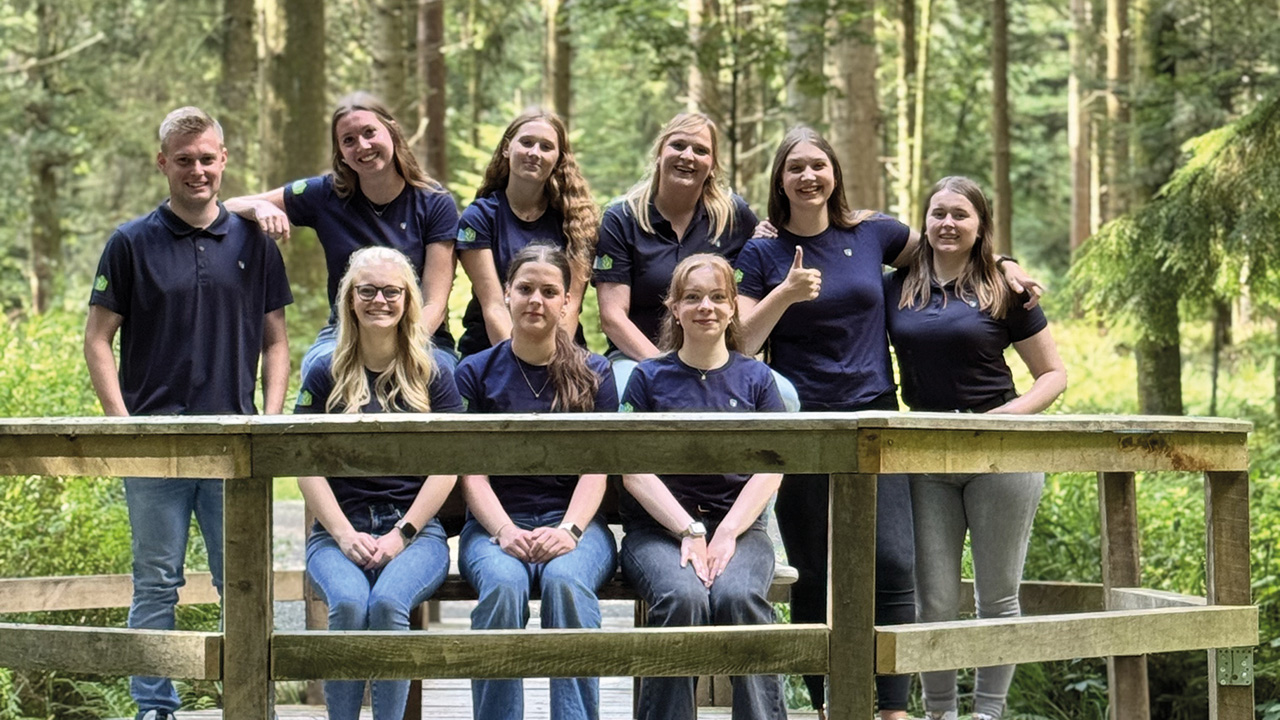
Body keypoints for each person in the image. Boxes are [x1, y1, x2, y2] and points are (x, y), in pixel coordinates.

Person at [735, 126, 1041, 720]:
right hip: (802, 427)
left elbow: (951, 245)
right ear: (780, 180)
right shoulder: (761, 252)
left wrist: (1006, 265)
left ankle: (894, 707)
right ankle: (828, 704)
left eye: (818, 165)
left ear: (834, 173)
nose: (808, 176)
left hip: (877, 420)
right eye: (795, 167)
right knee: (815, 569)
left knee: (895, 562)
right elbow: (743, 344)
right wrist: (785, 293)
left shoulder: (871, 233)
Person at [83, 106, 292, 720]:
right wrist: (122, 425)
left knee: (243, 582)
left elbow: (276, 341)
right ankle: (155, 707)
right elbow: (97, 339)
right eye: (183, 161)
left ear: (223, 159)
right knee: (155, 581)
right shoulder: (130, 242)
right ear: (162, 164)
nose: (196, 170)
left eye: (206, 158)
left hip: (234, 443)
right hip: (156, 443)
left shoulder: (254, 241)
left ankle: (250, 703)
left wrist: (269, 418)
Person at [885, 177, 1067, 720]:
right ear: (924, 221)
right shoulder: (896, 286)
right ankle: (940, 712)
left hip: (1000, 454)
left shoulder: (1005, 289)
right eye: (938, 213)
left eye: (960, 215)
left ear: (981, 225)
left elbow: (1053, 375)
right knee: (935, 599)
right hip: (925, 454)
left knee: (998, 595)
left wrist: (1006, 419)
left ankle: (988, 712)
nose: (948, 223)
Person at [294, 245, 461, 720]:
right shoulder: (324, 372)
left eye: (392, 291)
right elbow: (303, 464)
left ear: (408, 300)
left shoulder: (433, 372)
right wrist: (345, 535)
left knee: (388, 604)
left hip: (416, 533)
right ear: (350, 299)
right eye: (367, 291)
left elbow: (448, 465)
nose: (379, 301)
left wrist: (400, 535)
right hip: (337, 532)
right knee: (349, 604)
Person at [619, 253, 788, 720]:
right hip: (659, 532)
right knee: (683, 597)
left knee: (739, 598)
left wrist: (728, 531)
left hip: (741, 529)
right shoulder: (647, 378)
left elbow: (774, 466)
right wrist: (689, 530)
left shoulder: (757, 378)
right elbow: (633, 471)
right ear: (674, 308)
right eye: (692, 297)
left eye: (717, 297)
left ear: (733, 307)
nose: (705, 307)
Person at [455, 244, 618, 720]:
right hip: (494, 526)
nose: (536, 301)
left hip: (577, 525)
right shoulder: (475, 372)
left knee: (566, 582)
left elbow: (598, 467)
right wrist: (504, 530)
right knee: (503, 585)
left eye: (549, 292)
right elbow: (469, 471)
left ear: (567, 301)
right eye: (525, 289)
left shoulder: (595, 372)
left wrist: (569, 531)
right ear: (506, 293)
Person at [226, 91, 459, 375]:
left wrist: (395, 350)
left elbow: (434, 302)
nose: (362, 145)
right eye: (349, 140)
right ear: (341, 154)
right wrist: (260, 208)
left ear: (392, 131)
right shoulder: (325, 194)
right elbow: (229, 206)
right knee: (320, 369)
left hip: (420, 334)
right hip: (344, 333)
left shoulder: (434, 203)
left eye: (370, 132)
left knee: (439, 374)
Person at [592, 112, 803, 409]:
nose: (688, 156)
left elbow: (762, 263)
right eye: (678, 145)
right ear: (659, 153)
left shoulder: (733, 216)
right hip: (638, 357)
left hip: (717, 359)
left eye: (701, 150)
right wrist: (663, 370)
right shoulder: (622, 218)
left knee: (786, 396)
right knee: (620, 393)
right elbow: (613, 317)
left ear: (712, 165)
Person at [455, 109, 598, 357]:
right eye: (527, 142)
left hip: (561, 350)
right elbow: (494, 306)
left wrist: (552, 363)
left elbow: (570, 306)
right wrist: (520, 366)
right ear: (506, 149)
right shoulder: (480, 217)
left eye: (546, 147)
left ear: (558, 159)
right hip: (492, 350)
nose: (534, 153)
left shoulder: (576, 221)